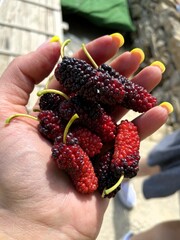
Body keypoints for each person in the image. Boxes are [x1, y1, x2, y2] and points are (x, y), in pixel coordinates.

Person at [0, 33, 173, 239]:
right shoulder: (65, 128)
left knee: (117, 103)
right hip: (76, 123)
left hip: (89, 112)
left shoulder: (95, 101)